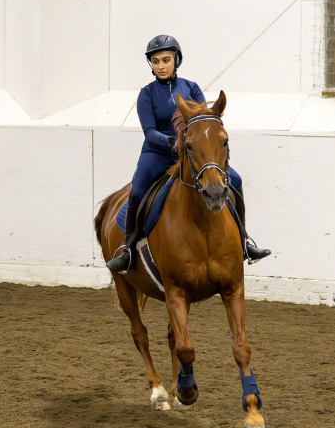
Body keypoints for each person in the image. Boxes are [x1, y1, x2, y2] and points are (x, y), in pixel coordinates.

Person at [106, 35, 271, 274]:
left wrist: (193, 142)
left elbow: (202, 121)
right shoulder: (146, 94)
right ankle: (128, 250)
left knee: (235, 180)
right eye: (155, 61)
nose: (161, 65)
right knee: (139, 189)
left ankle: (245, 242)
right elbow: (149, 132)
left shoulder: (191, 87)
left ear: (176, 60)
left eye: (165, 60)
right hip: (158, 153)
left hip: (192, 153)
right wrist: (173, 141)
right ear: (151, 65)